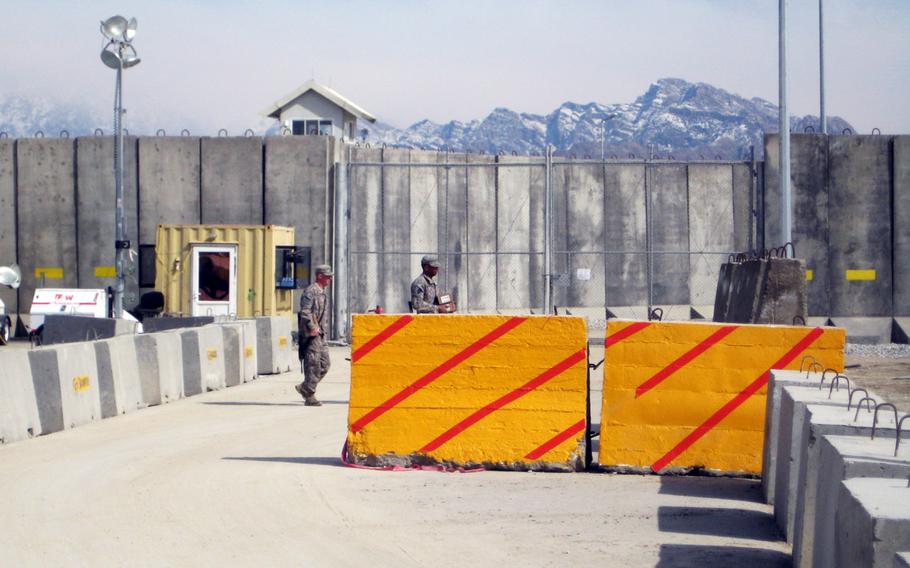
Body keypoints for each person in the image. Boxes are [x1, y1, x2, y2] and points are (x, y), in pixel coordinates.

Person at [294, 264, 333, 406]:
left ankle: (305, 387)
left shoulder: (322, 291)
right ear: (320, 276)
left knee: (325, 364)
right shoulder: (311, 291)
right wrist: (312, 327)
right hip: (311, 334)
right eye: (327, 277)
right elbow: (305, 311)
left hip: (321, 333)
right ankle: (309, 395)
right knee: (313, 364)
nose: (329, 280)